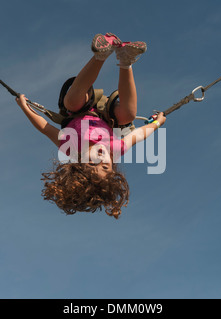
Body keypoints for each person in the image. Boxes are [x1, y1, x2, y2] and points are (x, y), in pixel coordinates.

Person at [15, 33, 166, 219]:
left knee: (72, 102)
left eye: (93, 163)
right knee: (128, 116)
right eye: (106, 167)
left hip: (80, 107)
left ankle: (100, 56)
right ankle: (126, 61)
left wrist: (25, 107)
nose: (102, 160)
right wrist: (157, 123)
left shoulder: (71, 148)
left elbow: (45, 128)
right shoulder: (114, 149)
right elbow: (139, 135)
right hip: (108, 113)